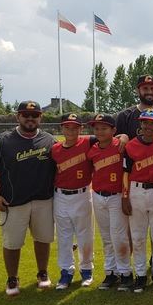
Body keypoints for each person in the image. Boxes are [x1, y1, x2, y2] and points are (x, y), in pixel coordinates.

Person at [0, 101, 55, 296]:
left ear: (41, 117)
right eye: (25, 115)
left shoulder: (49, 140)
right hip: (13, 202)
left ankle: (42, 273)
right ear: (18, 117)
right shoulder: (3, 140)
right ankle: (12, 278)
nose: (30, 118)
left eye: (34, 115)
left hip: (43, 200)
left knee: (43, 239)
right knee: (12, 243)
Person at [122, 109, 153, 292]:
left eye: (152, 123)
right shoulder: (131, 146)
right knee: (138, 237)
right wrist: (125, 196)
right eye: (145, 123)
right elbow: (125, 173)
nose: (148, 126)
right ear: (140, 125)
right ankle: (141, 274)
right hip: (136, 191)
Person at [86, 113, 133, 291]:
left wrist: (126, 196)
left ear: (114, 130)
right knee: (106, 237)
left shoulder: (122, 146)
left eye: (104, 128)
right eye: (97, 128)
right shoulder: (92, 149)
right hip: (98, 195)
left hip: (117, 196)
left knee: (119, 236)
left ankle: (126, 273)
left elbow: (128, 172)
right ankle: (111, 272)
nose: (99, 131)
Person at [51, 114, 95, 290]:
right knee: (63, 236)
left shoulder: (88, 142)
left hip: (82, 194)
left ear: (81, 129)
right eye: (67, 127)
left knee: (85, 235)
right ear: (62, 128)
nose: (71, 130)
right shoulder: (54, 149)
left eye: (75, 127)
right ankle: (66, 273)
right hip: (60, 196)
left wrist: (122, 136)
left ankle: (86, 271)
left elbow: (110, 138)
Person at [115, 74, 153, 139]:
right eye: (145, 88)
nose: (149, 92)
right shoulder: (124, 116)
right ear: (138, 91)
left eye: (152, 88)